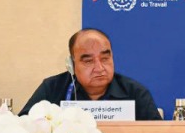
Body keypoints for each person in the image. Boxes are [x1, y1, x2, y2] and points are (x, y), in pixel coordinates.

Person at [20, 28, 161, 119]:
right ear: (72, 64)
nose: (99, 68)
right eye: (88, 61)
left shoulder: (135, 92)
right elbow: (23, 127)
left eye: (105, 58)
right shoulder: (52, 88)